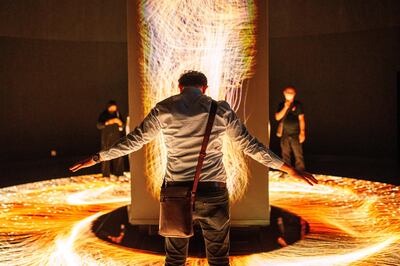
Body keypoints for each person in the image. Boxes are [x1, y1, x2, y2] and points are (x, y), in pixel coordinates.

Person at [70, 71, 317, 266]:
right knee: (219, 259)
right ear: (205, 88)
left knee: (175, 259)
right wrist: (289, 169)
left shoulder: (164, 108)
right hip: (214, 194)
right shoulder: (220, 109)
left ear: (179, 88)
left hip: (176, 193)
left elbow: (133, 141)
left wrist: (97, 157)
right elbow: (251, 146)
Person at [275, 86, 306, 171]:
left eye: (291, 93)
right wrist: (285, 107)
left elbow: (301, 119)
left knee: (298, 153)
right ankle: (286, 171)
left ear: (294, 94)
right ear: (284, 93)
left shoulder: (298, 105)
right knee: (285, 153)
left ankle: (300, 170)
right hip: (284, 132)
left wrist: (302, 132)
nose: (289, 95)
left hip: (296, 133)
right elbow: (277, 117)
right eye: (287, 93)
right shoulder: (281, 105)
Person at [96, 100, 125, 177]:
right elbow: (99, 125)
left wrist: (119, 123)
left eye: (114, 107)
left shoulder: (118, 114)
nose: (113, 108)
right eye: (111, 107)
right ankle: (105, 173)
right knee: (105, 153)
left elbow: (122, 126)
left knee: (118, 152)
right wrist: (109, 122)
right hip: (106, 137)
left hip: (116, 136)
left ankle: (118, 172)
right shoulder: (104, 114)